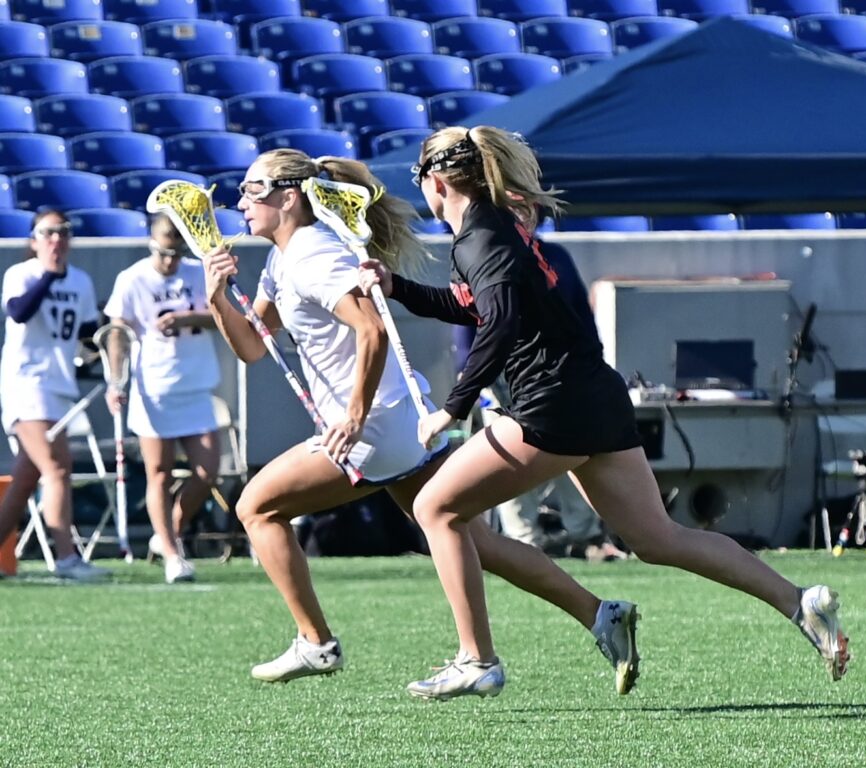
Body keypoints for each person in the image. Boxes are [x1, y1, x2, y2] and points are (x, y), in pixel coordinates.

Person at [358, 126, 850, 700]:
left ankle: (477, 659)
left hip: (551, 404)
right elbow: (476, 307)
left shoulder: (480, 237)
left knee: (434, 508)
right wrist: (398, 287)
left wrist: (452, 407)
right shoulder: (494, 228)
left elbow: (501, 322)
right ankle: (799, 602)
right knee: (657, 539)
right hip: (592, 394)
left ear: (436, 181)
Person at [203, 148, 639, 692]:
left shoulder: (313, 255)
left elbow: (372, 329)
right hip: (397, 423)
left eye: (253, 189)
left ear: (289, 197)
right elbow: (252, 347)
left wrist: (354, 415)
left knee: (256, 507)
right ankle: (600, 614)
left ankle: (316, 642)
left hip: (374, 428)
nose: (242, 201)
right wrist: (217, 298)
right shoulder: (282, 260)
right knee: (473, 538)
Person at [451, 237, 627, 562]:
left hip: (558, 374)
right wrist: (467, 367)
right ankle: (525, 540)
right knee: (505, 457)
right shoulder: (479, 251)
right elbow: (467, 313)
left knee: (569, 451)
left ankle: (585, 536)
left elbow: (580, 312)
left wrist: (593, 361)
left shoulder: (555, 255)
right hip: (500, 375)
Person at [103, 213, 221, 584]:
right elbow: (118, 333)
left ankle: (168, 531)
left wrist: (187, 318)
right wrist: (115, 381)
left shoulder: (196, 273)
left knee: (208, 471)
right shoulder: (133, 278)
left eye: (176, 253)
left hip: (195, 384)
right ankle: (172, 554)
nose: (170, 261)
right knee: (159, 473)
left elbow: (221, 316)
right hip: (153, 387)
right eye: (163, 253)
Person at [0, 209, 110, 581]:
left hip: (59, 386)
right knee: (58, 468)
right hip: (26, 384)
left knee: (25, 480)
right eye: (48, 233)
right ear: (34, 241)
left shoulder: (80, 280)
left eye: (63, 232)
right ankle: (66, 558)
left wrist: (112, 343)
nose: (56, 239)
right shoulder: (22, 274)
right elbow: (18, 312)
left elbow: (88, 335)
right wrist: (49, 275)